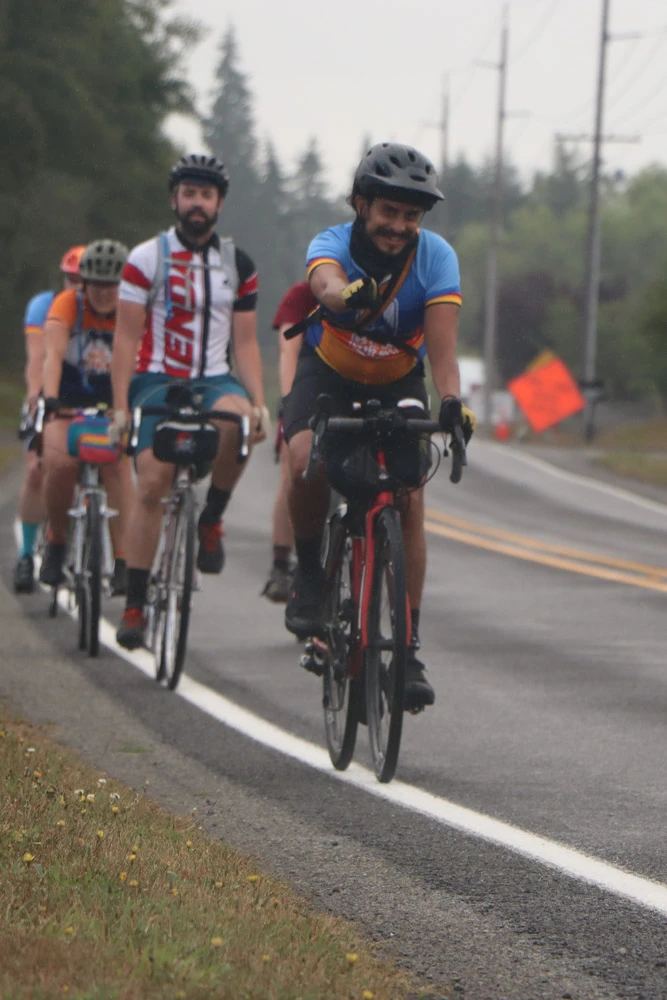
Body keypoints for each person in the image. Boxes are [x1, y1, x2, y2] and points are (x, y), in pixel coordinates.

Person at [282, 142, 476, 710]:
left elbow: (442, 351)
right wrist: (347, 295)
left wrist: (451, 403)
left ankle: (407, 646)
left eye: (410, 216)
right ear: (362, 205)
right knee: (304, 460)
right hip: (330, 372)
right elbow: (325, 286)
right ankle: (312, 573)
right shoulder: (332, 243)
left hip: (397, 381)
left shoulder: (437, 259)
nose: (398, 226)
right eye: (388, 211)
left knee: (410, 501)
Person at [111, 153, 269, 650]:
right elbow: (124, 338)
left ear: (219, 203)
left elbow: (245, 342)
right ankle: (135, 602)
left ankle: (212, 518)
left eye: (206, 195)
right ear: (175, 199)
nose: (197, 203)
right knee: (153, 483)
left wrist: (260, 402)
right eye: (189, 193)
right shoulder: (144, 259)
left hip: (214, 378)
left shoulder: (238, 264)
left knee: (240, 426)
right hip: (157, 378)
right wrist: (119, 408)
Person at [39, 239, 133, 594]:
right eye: (96, 284)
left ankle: (124, 560)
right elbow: (52, 354)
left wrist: (126, 406)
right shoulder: (67, 305)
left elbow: (139, 358)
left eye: (112, 285)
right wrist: (49, 399)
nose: (104, 293)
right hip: (67, 399)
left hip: (113, 401)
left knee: (118, 467)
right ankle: (56, 540)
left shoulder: (131, 309)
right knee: (60, 462)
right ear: (84, 283)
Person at [13, 246, 85, 593]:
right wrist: (36, 400)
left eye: (84, 280)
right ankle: (26, 555)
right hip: (53, 393)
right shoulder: (46, 305)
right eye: (72, 279)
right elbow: (37, 357)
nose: (79, 286)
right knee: (36, 468)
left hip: (92, 398)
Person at [262, 281, 317, 602]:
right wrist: (289, 401)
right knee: (293, 467)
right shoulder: (301, 295)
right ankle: (280, 564)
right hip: (303, 391)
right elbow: (288, 349)